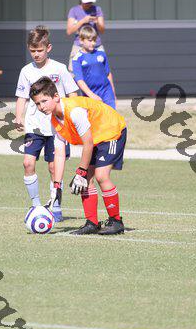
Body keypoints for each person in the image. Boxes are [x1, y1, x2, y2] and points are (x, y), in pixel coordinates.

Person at [30, 76, 127, 235]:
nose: (41, 107)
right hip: (95, 136)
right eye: (37, 103)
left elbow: (88, 143)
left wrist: (80, 172)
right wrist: (56, 186)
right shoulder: (54, 120)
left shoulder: (74, 112)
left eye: (44, 101)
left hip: (111, 130)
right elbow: (59, 154)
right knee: (86, 179)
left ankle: (116, 222)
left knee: (101, 176)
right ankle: (92, 223)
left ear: (56, 97)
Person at [14, 26, 79, 221]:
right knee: (27, 163)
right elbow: (22, 96)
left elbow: (72, 93)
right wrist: (18, 116)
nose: (36, 54)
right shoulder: (26, 71)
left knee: (53, 168)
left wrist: (73, 115)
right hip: (34, 126)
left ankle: (55, 205)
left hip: (57, 127)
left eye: (39, 50)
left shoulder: (59, 69)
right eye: (32, 50)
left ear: (48, 48)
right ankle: (36, 206)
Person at [71, 25, 117, 109]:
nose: (93, 43)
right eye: (90, 40)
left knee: (111, 114)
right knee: (95, 116)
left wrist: (113, 92)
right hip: (90, 94)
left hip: (106, 92)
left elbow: (108, 73)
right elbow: (79, 80)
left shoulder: (101, 54)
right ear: (81, 40)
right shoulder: (77, 59)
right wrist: (91, 95)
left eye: (94, 40)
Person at [66, 0, 106, 72]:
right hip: (79, 46)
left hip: (96, 45)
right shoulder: (74, 10)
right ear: (82, 0)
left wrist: (97, 22)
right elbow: (69, 31)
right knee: (73, 72)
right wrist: (83, 21)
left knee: (101, 71)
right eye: (86, 2)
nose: (88, 4)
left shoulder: (97, 9)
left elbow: (102, 30)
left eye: (90, 2)